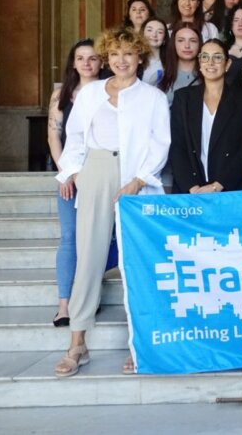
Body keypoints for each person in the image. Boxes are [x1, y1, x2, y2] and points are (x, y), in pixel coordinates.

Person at [53, 26, 170, 377]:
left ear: (140, 58)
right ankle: (77, 344)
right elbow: (73, 137)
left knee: (137, 261)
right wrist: (74, 173)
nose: (122, 60)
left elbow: (159, 143)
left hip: (137, 175)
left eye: (129, 53)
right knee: (89, 256)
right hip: (97, 168)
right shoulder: (89, 95)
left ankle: (140, 344)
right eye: (115, 54)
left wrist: (139, 180)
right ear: (107, 58)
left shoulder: (153, 97)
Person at [47, 39, 102, 328]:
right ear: (73, 63)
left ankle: (90, 294)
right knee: (70, 236)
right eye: (81, 58)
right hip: (70, 173)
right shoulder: (61, 95)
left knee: (98, 238)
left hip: (101, 172)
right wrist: (66, 172)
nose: (87, 63)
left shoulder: (108, 92)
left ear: (101, 62)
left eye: (93, 58)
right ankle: (64, 304)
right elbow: (54, 137)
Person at [170, 38, 242, 195]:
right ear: (200, 63)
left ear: (227, 64)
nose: (210, 62)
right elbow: (177, 147)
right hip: (191, 192)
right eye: (205, 57)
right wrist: (193, 188)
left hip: (230, 190)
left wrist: (217, 186)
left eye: (217, 57)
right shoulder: (183, 98)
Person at [159, 21, 201, 105]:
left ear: (199, 44)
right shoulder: (160, 76)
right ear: (173, 44)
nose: (187, 46)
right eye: (181, 40)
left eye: (193, 41)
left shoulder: (208, 76)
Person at [140, 17, 168, 87]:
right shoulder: (135, 59)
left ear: (164, 38)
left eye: (160, 32)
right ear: (142, 34)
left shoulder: (170, 62)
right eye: (149, 30)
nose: (154, 35)